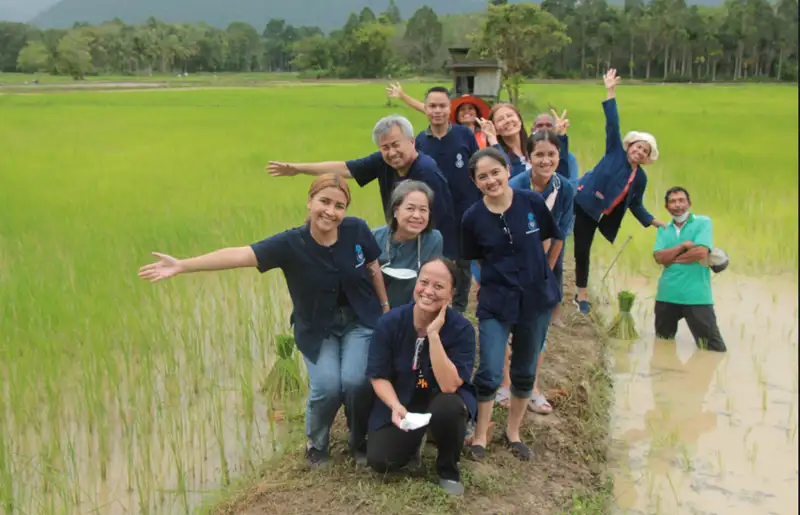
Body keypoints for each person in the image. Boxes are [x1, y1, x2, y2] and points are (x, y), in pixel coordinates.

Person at [137, 175, 391, 467]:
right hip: (317, 328)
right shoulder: (290, 243)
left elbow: (373, 266)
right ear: (309, 202)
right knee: (328, 387)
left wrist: (384, 307)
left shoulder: (356, 229)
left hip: (360, 320)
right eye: (324, 202)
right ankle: (317, 444)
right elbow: (239, 254)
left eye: (339, 205)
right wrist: (183, 265)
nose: (330, 211)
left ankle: (358, 441)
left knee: (357, 381)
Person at [461, 148, 563, 461]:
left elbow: (552, 237)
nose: (491, 180)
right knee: (490, 369)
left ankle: (513, 433)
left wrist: (543, 273)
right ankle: (480, 435)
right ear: (475, 182)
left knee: (524, 369)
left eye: (495, 172)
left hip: (536, 300)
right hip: (495, 302)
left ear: (507, 170)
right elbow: (474, 259)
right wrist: (486, 282)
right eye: (482, 176)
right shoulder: (473, 218)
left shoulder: (531, 202)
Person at [266, 114, 458, 260]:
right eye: (385, 148)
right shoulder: (385, 162)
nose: (391, 152)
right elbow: (346, 168)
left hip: (426, 248)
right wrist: (297, 169)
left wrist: (441, 261)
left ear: (411, 142)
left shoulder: (427, 172)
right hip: (402, 241)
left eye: (395, 144)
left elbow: (440, 221)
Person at [366, 258, 477, 496]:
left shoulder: (461, 329)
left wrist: (433, 335)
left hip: (440, 398)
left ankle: (448, 469)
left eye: (439, 286)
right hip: (403, 399)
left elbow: (449, 385)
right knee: (380, 460)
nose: (428, 291)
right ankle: (415, 444)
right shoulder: (390, 323)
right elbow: (378, 376)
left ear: (452, 293)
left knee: (449, 408)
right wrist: (395, 406)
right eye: (424, 282)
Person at [494, 121, 575, 415]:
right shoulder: (514, 186)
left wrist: (544, 272)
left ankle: (531, 388)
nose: (546, 160)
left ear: (559, 156)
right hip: (508, 265)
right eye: (539, 154)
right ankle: (505, 384)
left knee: (537, 330)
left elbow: (560, 234)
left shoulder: (564, 188)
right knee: (505, 324)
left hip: (542, 267)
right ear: (528, 157)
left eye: (551, 154)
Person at [573, 68, 666, 314]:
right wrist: (610, 90)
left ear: (647, 158)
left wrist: (655, 222)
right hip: (578, 197)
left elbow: (635, 204)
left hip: (593, 213)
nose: (639, 151)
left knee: (582, 251)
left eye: (645, 151)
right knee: (553, 236)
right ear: (629, 145)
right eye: (637, 146)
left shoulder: (640, 178)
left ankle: (581, 294)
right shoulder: (615, 150)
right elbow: (612, 123)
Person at [414, 86, 482, 313]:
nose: (437, 111)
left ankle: (459, 309)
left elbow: (478, 167)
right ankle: (432, 308)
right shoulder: (420, 142)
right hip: (434, 215)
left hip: (465, 210)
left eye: (442, 106)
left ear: (449, 108)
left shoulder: (465, 135)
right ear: (425, 109)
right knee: (435, 263)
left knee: (463, 263)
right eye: (432, 106)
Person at [652, 187, 726, 352]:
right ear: (667, 207)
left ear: (689, 203)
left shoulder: (703, 222)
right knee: (663, 346)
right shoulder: (664, 229)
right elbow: (658, 257)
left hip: (697, 297)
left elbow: (700, 252)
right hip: (667, 295)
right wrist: (683, 246)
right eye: (672, 201)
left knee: (713, 349)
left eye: (681, 200)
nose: (677, 205)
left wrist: (671, 259)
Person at [372, 180, 443, 308]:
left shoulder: (434, 240)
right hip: (377, 310)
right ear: (395, 211)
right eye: (410, 208)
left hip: (416, 311)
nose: (417, 215)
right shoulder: (374, 238)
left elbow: (433, 284)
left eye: (423, 210)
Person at [385, 82, 492, 148]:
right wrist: (403, 96)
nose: (467, 112)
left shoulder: (486, 132)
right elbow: (426, 108)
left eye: (470, 108)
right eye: (462, 109)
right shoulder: (449, 128)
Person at [531, 111, 581, 186]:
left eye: (549, 125)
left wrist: (561, 136)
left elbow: (572, 188)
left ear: (554, 129)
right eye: (540, 125)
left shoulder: (569, 158)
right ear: (533, 130)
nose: (544, 129)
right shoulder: (527, 156)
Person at [486, 103, 530, 179]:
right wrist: (492, 139)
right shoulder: (493, 156)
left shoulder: (534, 147)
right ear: (495, 129)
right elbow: (506, 174)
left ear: (520, 121)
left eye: (510, 116)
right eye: (500, 119)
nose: (507, 121)